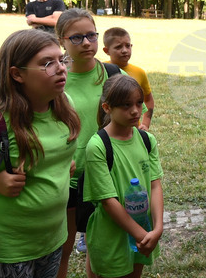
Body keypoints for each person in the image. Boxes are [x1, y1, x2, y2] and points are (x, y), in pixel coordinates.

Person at [0, 29, 81, 278]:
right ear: (17, 74)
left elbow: (55, 151)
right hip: (6, 247)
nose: (61, 68)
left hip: (52, 238)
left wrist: (62, 162)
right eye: (46, 63)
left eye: (61, 60)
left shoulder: (64, 104)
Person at [56, 8, 126, 276]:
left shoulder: (112, 72)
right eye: (76, 38)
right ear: (62, 40)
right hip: (69, 175)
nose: (86, 43)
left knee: (100, 244)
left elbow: (132, 116)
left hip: (106, 172)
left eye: (90, 35)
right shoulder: (56, 76)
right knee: (63, 246)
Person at [82, 75, 164, 278]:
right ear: (107, 108)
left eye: (138, 102)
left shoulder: (147, 140)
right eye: (126, 105)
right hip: (112, 235)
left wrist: (158, 228)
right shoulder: (98, 146)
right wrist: (141, 235)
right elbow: (108, 201)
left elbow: (155, 185)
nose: (136, 111)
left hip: (143, 231)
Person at [102, 27, 155, 130]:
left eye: (128, 46)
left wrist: (145, 123)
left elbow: (148, 99)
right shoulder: (102, 71)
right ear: (106, 50)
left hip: (132, 130)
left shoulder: (139, 72)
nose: (124, 51)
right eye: (118, 47)